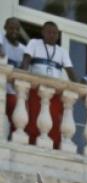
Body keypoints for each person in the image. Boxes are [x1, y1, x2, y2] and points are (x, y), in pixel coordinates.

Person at [22, 21, 77, 149]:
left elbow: (71, 72)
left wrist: (78, 88)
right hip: (37, 89)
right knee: (33, 120)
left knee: (53, 122)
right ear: (43, 32)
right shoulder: (34, 43)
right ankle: (31, 144)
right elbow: (25, 62)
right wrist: (22, 77)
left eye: (55, 33)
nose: (52, 35)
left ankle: (52, 146)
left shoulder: (62, 51)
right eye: (49, 32)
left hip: (54, 93)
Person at [0, 17, 25, 136]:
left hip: (13, 92)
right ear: (5, 28)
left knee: (16, 123)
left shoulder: (23, 50)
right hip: (1, 88)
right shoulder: (1, 40)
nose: (14, 31)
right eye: (11, 28)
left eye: (17, 29)